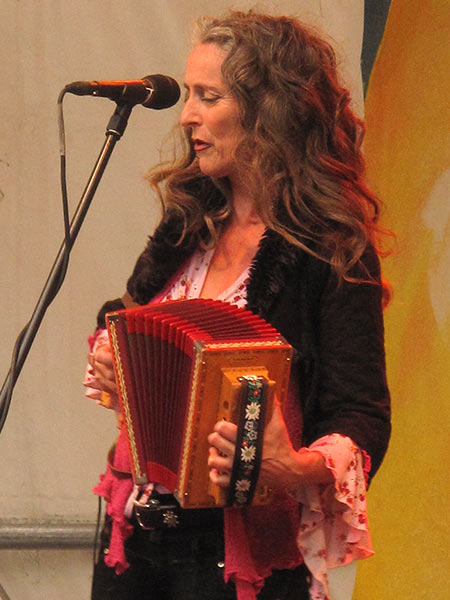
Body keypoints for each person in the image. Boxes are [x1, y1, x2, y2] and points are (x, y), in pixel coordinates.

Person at [84, 10, 391, 600]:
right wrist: (111, 357)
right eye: (190, 94)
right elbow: (127, 319)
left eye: (210, 96)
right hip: (135, 531)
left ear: (266, 110)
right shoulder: (189, 220)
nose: (188, 115)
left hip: (235, 555)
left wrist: (295, 468)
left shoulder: (329, 248)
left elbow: (362, 415)